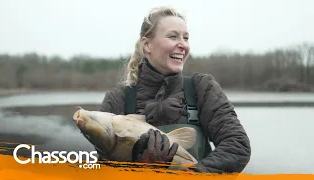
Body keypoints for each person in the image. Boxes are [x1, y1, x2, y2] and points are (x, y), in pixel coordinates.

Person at [98, 6, 251, 174]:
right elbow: (105, 169)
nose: (183, 45)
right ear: (147, 44)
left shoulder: (202, 88)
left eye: (185, 38)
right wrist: (143, 167)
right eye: (173, 36)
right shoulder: (118, 99)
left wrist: (192, 175)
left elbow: (237, 146)